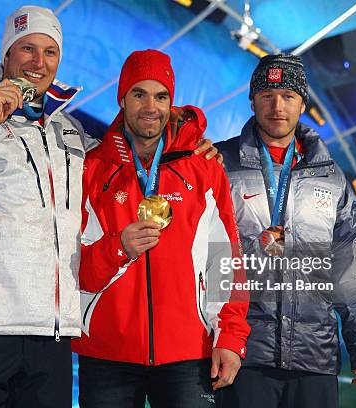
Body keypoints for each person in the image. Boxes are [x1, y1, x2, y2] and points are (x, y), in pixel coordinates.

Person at [0, 5, 220, 407]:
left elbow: (124, 160)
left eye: (50, 52)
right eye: (27, 49)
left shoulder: (65, 131)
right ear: (6, 56)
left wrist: (187, 141)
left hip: (49, 337)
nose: (39, 62)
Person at [72, 49, 251, 407]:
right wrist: (117, 247)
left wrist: (230, 337)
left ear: (172, 102)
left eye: (160, 96)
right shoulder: (91, 170)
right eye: (139, 94)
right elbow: (77, 271)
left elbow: (225, 259)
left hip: (189, 352)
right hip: (108, 354)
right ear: (122, 98)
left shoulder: (203, 167)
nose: (150, 107)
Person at [215, 54, 356, 408]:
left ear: (303, 104)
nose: (277, 106)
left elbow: (353, 265)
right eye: (267, 95)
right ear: (252, 100)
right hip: (242, 353)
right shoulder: (219, 164)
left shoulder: (331, 176)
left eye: (288, 96)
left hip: (314, 356)